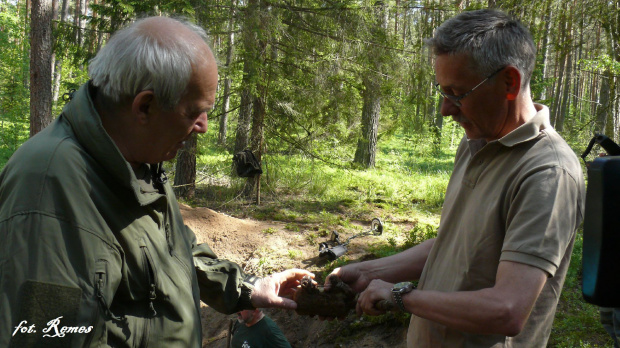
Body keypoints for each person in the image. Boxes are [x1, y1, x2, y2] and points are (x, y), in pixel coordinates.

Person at [0, 16, 312, 347]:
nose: (203, 126)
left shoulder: (137, 158)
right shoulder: (50, 190)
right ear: (145, 106)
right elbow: (44, 338)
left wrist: (247, 290)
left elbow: (172, 250)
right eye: (194, 111)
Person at [328, 9, 585, 347]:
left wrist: (401, 295)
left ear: (510, 82)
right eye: (443, 92)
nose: (445, 109)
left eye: (457, 93)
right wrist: (370, 272)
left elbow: (507, 309)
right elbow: (459, 245)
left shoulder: (548, 172)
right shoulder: (476, 144)